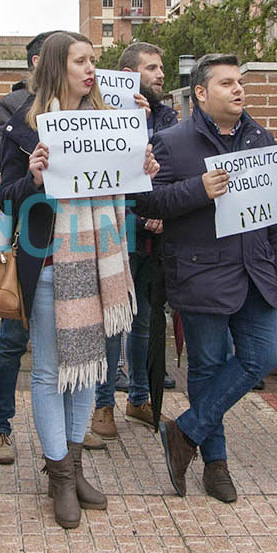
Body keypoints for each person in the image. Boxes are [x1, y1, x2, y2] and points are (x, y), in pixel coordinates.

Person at [0, 31, 156, 528]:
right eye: (80, 61)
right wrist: (34, 179)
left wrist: (144, 168)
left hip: (99, 266)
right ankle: (60, 478)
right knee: (49, 372)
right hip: (49, 264)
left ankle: (75, 466)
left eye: (94, 61)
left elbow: (130, 191)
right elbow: (7, 201)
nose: (91, 69)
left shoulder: (112, 125)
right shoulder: (23, 130)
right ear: (55, 69)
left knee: (89, 368)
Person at [136, 53, 277, 503]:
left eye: (240, 82)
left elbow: (276, 208)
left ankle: (185, 431)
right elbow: (146, 203)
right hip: (201, 272)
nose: (238, 90)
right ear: (201, 93)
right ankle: (215, 463)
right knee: (205, 367)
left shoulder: (260, 138)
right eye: (226, 83)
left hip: (256, 272)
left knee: (263, 357)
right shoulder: (172, 142)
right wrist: (196, 191)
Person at [90, 41, 178, 439]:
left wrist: (163, 212)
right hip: (119, 230)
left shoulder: (169, 118)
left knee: (144, 318)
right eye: (153, 67)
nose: (161, 74)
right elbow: (105, 174)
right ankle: (103, 404)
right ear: (128, 75)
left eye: (162, 68)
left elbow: (172, 170)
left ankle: (139, 398)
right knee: (113, 320)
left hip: (154, 239)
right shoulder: (104, 114)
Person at [0, 30, 50, 464]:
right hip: (22, 227)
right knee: (13, 336)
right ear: (39, 61)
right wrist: (21, 134)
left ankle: (65, 433)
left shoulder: (86, 107)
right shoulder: (10, 107)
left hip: (69, 236)